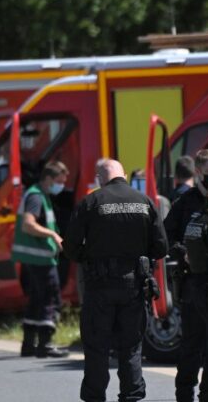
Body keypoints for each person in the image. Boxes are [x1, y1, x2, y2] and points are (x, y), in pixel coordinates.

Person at [64, 159, 168, 402]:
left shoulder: (91, 201)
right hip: (134, 286)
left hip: (99, 286)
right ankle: (131, 397)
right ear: (122, 174)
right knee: (131, 347)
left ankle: (95, 397)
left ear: (101, 177)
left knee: (97, 348)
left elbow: (70, 247)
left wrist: (88, 258)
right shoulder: (145, 202)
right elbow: (161, 246)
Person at [164, 150, 208, 402]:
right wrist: (182, 252)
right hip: (194, 282)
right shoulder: (185, 202)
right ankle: (184, 395)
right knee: (191, 345)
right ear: (197, 172)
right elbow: (165, 236)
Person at [11, 160, 71, 358]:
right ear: (49, 178)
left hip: (35, 258)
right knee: (50, 297)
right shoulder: (36, 197)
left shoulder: (39, 194)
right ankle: (45, 344)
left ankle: (28, 345)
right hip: (40, 259)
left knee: (36, 299)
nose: (61, 186)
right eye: (60, 181)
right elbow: (28, 225)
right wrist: (53, 235)